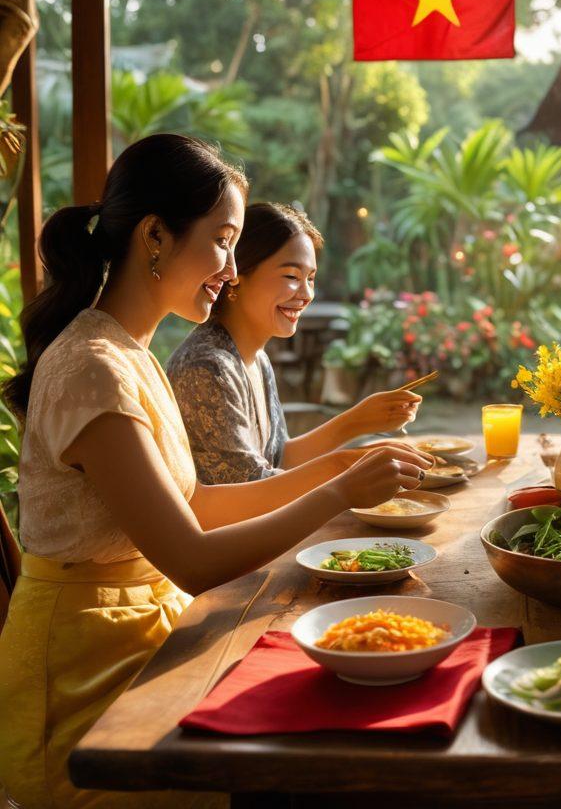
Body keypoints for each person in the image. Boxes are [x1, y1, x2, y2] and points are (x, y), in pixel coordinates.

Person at [0, 135, 432, 809]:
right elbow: (193, 559)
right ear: (155, 237)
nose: (231, 269)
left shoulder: (129, 353)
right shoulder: (93, 366)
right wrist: (339, 489)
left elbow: (196, 502)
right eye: (224, 240)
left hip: (146, 635)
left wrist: (341, 465)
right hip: (85, 686)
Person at [168, 201, 420, 485]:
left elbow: (279, 458)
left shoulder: (254, 357)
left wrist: (358, 421)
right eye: (291, 276)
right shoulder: (207, 368)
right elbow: (251, 490)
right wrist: (349, 464)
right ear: (236, 274)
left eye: (310, 278)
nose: (306, 294)